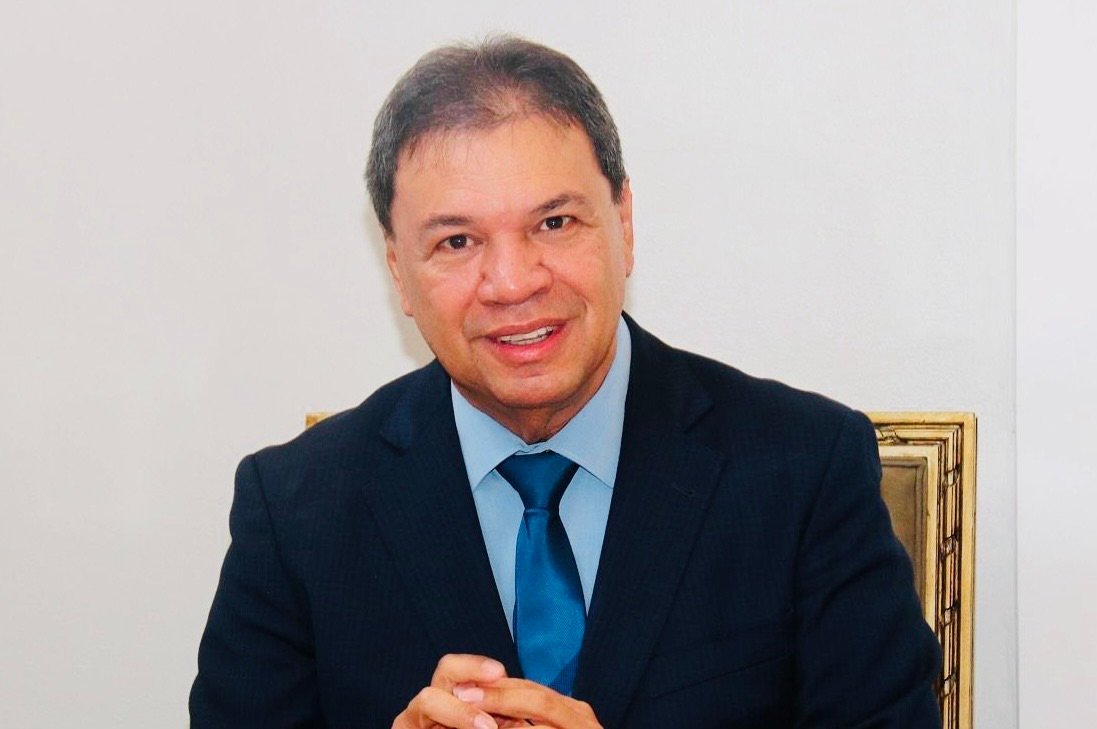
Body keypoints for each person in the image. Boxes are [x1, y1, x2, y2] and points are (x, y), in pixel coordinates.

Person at [190, 36, 941, 728]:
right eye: (457, 240)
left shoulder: (802, 469)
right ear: (397, 269)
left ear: (624, 224)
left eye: (554, 223)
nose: (513, 282)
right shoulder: (296, 510)